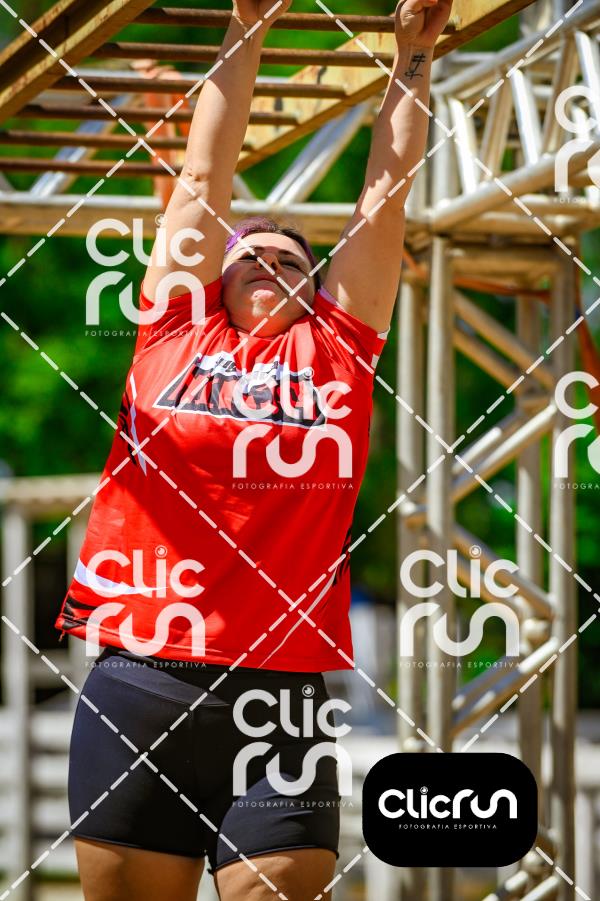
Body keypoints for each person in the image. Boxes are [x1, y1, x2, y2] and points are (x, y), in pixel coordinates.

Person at [56, 1, 452, 899]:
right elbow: (204, 172)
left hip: (282, 700)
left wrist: (414, 57)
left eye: (292, 261)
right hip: (143, 682)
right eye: (250, 256)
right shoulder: (172, 331)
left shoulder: (339, 350)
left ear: (318, 291)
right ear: (213, 280)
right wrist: (250, 23)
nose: (271, 264)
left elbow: (383, 199)